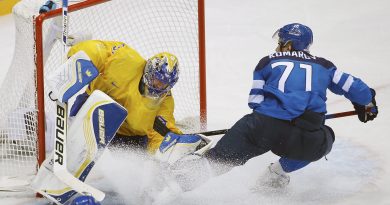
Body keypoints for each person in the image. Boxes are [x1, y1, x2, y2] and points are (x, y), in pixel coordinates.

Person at [163, 23, 378, 190]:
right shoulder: (324, 65)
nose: (278, 45)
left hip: (263, 128)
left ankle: (169, 189)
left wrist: (274, 117)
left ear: (289, 44)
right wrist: (367, 104)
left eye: (281, 41)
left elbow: (255, 101)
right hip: (305, 137)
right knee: (324, 138)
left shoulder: (268, 61)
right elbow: (356, 88)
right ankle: (276, 174)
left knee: (217, 161)